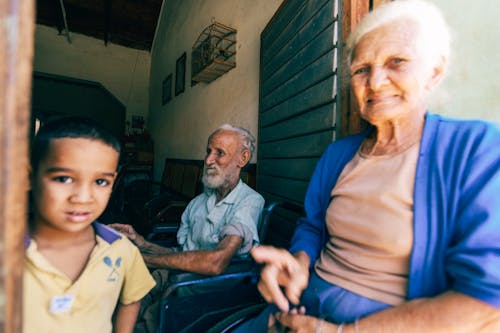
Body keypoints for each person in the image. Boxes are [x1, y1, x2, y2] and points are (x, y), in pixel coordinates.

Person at [235, 1, 500, 332]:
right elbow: (312, 227)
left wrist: (339, 332)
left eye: (396, 62)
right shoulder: (338, 155)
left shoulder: (475, 149)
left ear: (433, 71)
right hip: (297, 311)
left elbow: (486, 301)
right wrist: (299, 263)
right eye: (362, 69)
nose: (375, 83)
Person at [110, 124, 265, 332]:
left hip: (203, 289)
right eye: (208, 151)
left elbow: (216, 262)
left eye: (219, 153)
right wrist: (142, 243)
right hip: (174, 275)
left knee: (142, 321)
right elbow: (180, 254)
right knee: (120, 295)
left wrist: (145, 259)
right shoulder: (198, 203)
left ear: (242, 159)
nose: (209, 160)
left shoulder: (250, 202)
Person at [24, 117, 156, 333]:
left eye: (100, 182)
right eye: (64, 178)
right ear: (28, 176)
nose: (83, 197)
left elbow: (132, 299)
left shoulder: (121, 250)